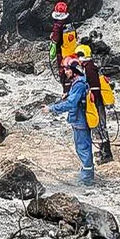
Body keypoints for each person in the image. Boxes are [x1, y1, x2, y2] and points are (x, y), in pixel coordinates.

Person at [43, 57, 94, 186]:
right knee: (81, 149)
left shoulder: (79, 84)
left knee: (83, 149)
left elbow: (71, 104)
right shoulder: (78, 83)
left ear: (73, 70)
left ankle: (87, 180)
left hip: (80, 121)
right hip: (78, 120)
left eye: (66, 69)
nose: (65, 72)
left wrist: (51, 109)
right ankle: (86, 175)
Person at [75, 44, 113, 163]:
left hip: (96, 102)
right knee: (100, 125)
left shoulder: (89, 68)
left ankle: (106, 154)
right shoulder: (92, 66)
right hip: (98, 101)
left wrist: (93, 101)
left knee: (99, 126)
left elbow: (94, 87)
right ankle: (104, 150)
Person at [49, 2, 78, 91]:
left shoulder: (57, 25)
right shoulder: (70, 23)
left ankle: (66, 91)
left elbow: (55, 39)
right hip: (72, 51)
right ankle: (74, 88)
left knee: (63, 71)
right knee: (72, 69)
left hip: (61, 52)